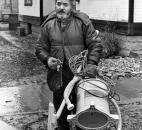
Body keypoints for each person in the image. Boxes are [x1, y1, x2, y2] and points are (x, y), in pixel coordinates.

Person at [35, 0, 102, 129]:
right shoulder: (48, 23)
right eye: (58, 4)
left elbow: (95, 45)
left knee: (82, 108)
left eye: (65, 4)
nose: (61, 7)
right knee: (61, 110)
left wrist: (91, 64)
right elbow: (40, 48)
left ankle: (81, 126)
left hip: (81, 73)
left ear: (72, 6)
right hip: (58, 74)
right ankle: (62, 125)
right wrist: (47, 59)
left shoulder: (82, 21)